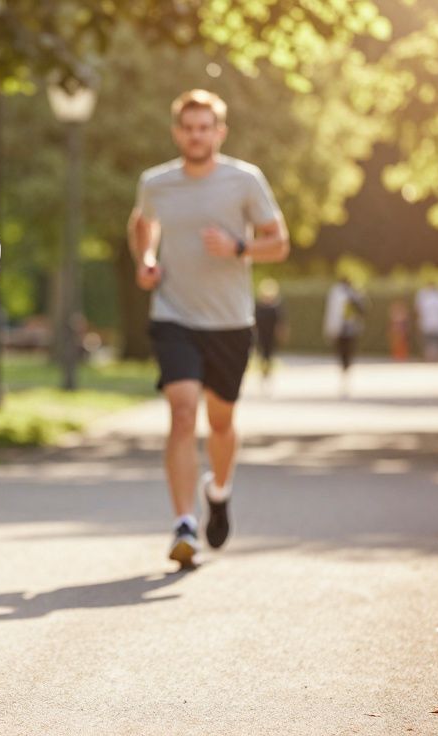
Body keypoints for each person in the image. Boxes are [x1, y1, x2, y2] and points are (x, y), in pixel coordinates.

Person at [128, 89, 290, 568]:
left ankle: (218, 491)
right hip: (173, 315)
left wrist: (239, 248)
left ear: (220, 132)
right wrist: (146, 259)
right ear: (177, 133)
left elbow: (279, 242)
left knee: (220, 422)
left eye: (205, 128)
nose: (196, 136)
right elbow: (142, 223)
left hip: (230, 322)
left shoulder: (245, 180)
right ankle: (184, 524)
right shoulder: (156, 182)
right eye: (189, 128)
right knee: (182, 414)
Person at [323, 276, 368, 396]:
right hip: (341, 329)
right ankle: (344, 373)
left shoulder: (354, 293)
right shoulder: (337, 293)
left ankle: (346, 374)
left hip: (351, 329)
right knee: (342, 353)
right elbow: (333, 312)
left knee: (348, 353)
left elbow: (362, 309)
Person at [253, 278, 285, 388]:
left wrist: (281, 332)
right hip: (261, 335)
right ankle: (263, 373)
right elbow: (254, 321)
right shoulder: (258, 306)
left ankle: (268, 373)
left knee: (269, 355)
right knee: (262, 355)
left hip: (271, 335)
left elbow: (280, 322)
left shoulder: (275, 307)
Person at [414, 281, 438, 361]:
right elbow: (419, 310)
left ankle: (437, 358)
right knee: (427, 342)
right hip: (427, 323)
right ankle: (429, 358)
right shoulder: (423, 295)